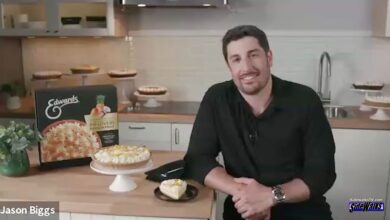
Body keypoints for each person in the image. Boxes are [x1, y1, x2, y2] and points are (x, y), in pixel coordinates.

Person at [184, 25, 336, 220]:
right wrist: (244, 193)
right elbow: (197, 159)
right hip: (244, 211)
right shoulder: (217, 99)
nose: (246, 67)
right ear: (229, 66)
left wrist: (272, 196)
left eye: (253, 55)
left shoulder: (304, 100)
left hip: (303, 212)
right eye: (236, 59)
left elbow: (321, 173)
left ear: (269, 57)